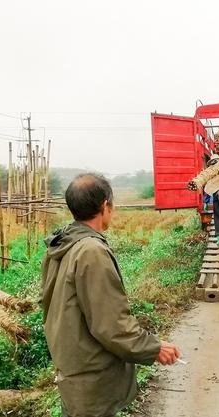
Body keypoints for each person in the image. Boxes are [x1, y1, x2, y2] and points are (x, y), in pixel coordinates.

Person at [41, 173, 181, 417]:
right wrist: (153, 347)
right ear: (105, 206)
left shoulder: (62, 244)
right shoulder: (91, 251)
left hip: (73, 369)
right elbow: (111, 323)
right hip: (92, 376)